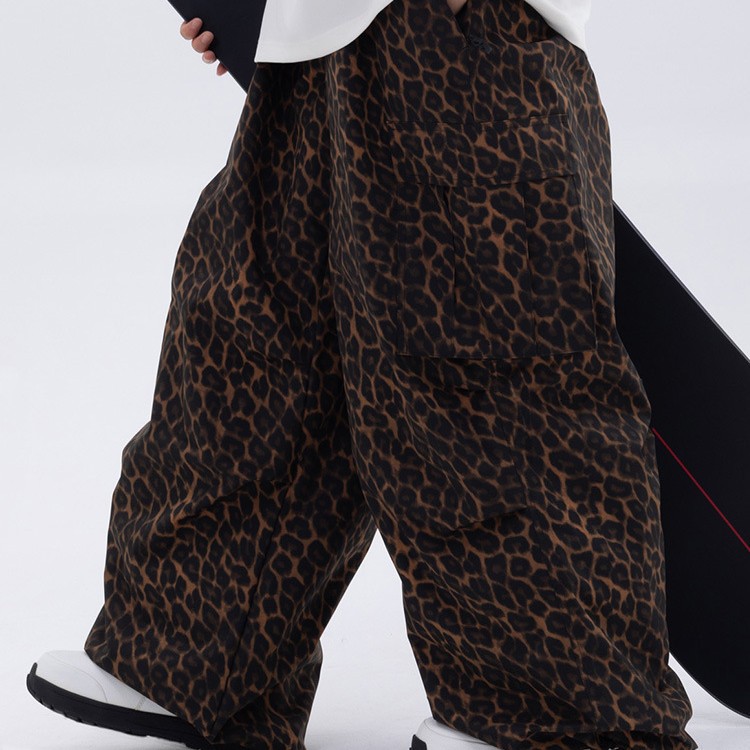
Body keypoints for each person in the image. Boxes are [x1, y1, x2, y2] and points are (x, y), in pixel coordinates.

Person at [25, 1, 699, 749]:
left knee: (487, 372)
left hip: (454, 37)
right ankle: (187, 660)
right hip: (317, 47)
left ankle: (563, 718)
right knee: (260, 345)